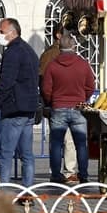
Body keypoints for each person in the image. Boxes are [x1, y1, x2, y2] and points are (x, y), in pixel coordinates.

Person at [41, 30, 95, 184]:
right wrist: (83, 98)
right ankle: (83, 174)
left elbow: (46, 89)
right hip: (78, 108)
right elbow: (90, 86)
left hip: (58, 108)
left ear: (60, 47)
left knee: (57, 144)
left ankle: (56, 175)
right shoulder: (83, 64)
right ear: (74, 47)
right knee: (81, 144)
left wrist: (52, 101)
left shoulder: (52, 66)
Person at [0, 17, 40, 186]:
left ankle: (2, 192)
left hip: (14, 109)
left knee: (5, 153)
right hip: (28, 109)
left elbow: (6, 81)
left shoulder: (13, 52)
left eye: (1, 32)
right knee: (26, 154)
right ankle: (28, 191)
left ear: (12, 33)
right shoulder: (29, 50)